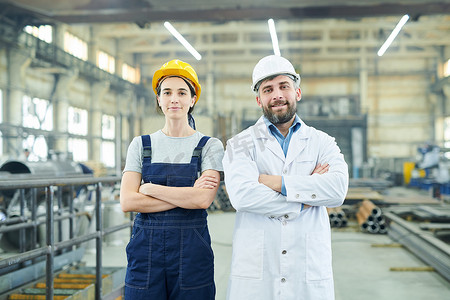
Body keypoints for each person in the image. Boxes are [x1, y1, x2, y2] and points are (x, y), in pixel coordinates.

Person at [222, 55, 349, 300]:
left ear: (297, 92)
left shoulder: (321, 142)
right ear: (259, 99)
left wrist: (273, 182)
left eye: (284, 86)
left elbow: (337, 190)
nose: (277, 95)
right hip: (257, 272)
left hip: (307, 268)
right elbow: (242, 196)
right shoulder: (239, 144)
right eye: (268, 89)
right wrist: (306, 198)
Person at [120, 59, 224, 300]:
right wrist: (187, 195)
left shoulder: (210, 146)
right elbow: (127, 202)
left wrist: (150, 188)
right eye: (166, 92)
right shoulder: (140, 144)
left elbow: (203, 200)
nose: (174, 99)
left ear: (193, 99)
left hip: (192, 253)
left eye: (182, 92)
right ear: (158, 99)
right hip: (146, 252)